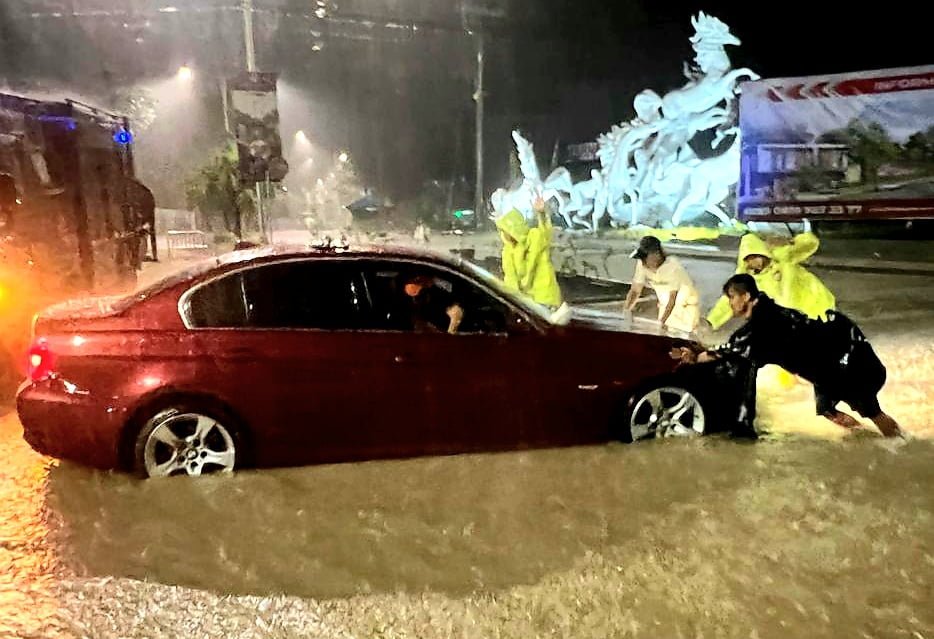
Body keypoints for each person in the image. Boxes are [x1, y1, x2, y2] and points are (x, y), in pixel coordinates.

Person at [672, 274, 906, 439]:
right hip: (830, 365)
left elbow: (724, 352)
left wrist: (693, 358)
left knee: (873, 412)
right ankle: (864, 438)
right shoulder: (770, 311)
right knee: (827, 410)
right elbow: (731, 346)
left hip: (844, 365)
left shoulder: (761, 327)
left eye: (731, 297)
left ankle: (902, 444)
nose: (730, 304)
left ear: (744, 296)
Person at [706, 232, 835, 330]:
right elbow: (729, 301)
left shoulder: (781, 257)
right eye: (748, 259)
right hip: (788, 320)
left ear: (761, 252)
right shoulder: (748, 278)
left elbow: (811, 244)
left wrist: (791, 241)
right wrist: (712, 321)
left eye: (754, 256)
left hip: (813, 303)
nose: (752, 262)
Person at [495, 195, 562, 308]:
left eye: (505, 229)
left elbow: (546, 231)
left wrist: (541, 213)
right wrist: (514, 303)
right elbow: (510, 280)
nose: (504, 234)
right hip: (527, 304)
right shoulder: (507, 251)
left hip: (545, 298)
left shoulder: (535, 236)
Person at [624, 235, 700, 333]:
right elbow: (635, 290)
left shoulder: (673, 267)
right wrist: (626, 311)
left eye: (645, 258)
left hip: (685, 309)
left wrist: (660, 323)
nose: (643, 262)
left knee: (680, 339)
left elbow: (672, 299)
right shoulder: (642, 264)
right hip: (665, 307)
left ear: (656, 255)